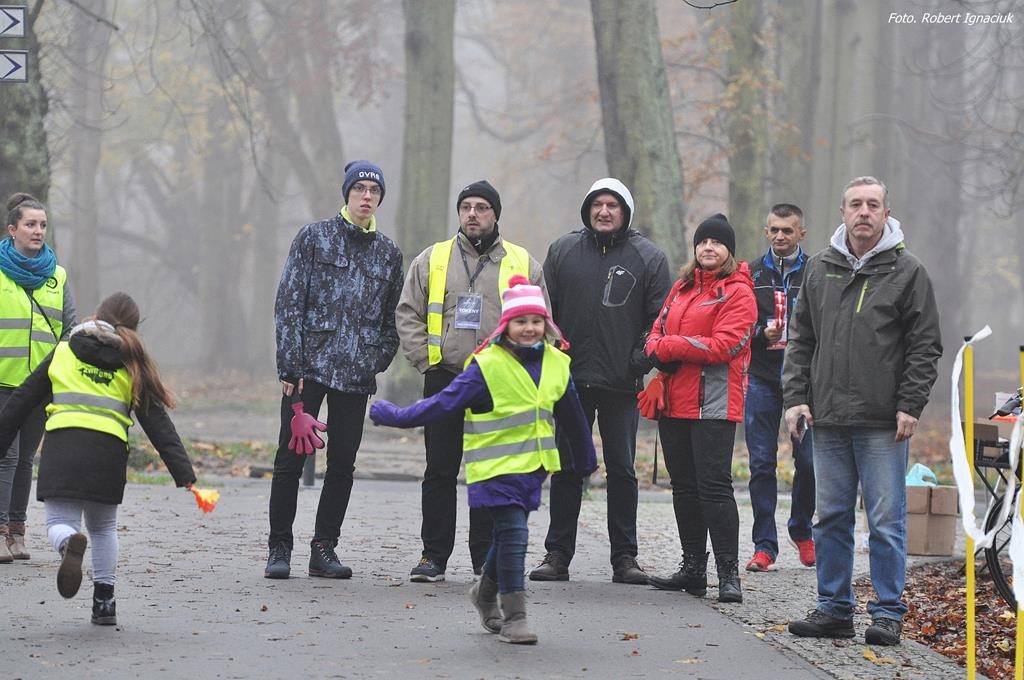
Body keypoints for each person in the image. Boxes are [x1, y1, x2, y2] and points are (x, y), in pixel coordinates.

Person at [371, 275, 596, 644]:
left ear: (546, 324)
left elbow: (573, 417)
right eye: (521, 321)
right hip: (493, 470)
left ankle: (484, 593)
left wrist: (586, 460)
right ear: (506, 325)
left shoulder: (557, 363)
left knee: (507, 536)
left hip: (532, 470)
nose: (529, 328)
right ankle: (515, 617)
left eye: (536, 321)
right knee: (516, 535)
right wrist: (397, 416)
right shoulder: (486, 365)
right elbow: (443, 404)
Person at [784, 176, 942, 646]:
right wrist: (795, 397)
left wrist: (910, 404)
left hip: (882, 422)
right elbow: (801, 339)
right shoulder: (820, 269)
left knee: (885, 523)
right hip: (828, 418)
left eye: (873, 204)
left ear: (886, 213)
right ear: (843, 212)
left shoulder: (908, 271)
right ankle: (834, 609)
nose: (864, 212)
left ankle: (888, 613)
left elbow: (924, 346)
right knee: (830, 518)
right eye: (856, 204)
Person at [0, 292, 196, 625]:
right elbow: (157, 423)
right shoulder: (131, 364)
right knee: (103, 528)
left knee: (58, 522)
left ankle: (68, 545)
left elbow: (21, 401)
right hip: (108, 455)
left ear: (95, 316)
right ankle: (104, 601)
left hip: (63, 448)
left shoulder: (63, 352)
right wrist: (184, 473)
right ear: (133, 326)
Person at [395, 180, 547, 582]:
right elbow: (407, 312)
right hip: (444, 378)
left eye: (481, 207)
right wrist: (426, 361)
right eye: (466, 207)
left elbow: (540, 322)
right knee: (439, 470)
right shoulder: (433, 259)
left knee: (490, 472)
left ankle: (485, 558)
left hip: (498, 383)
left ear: (495, 214)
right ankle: (433, 556)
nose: (473, 214)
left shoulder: (523, 263)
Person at [265, 161, 404, 580]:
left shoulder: (388, 254)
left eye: (373, 191)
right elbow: (289, 302)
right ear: (347, 193)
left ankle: (323, 548)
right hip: (307, 370)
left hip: (355, 377)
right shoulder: (314, 238)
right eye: (359, 188)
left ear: (380, 199)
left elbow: (392, 321)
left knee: (342, 464)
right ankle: (279, 547)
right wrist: (289, 365)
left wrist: (375, 359)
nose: (366, 196)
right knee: (289, 461)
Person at [530, 178, 671, 585]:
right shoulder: (563, 251)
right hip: (570, 381)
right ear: (587, 210)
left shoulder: (649, 257)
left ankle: (625, 558)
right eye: (597, 205)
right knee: (567, 468)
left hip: (621, 384)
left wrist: (638, 360)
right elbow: (544, 311)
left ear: (625, 212)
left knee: (622, 470)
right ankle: (557, 555)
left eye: (612, 205)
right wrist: (552, 356)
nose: (604, 211)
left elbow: (660, 319)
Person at [642, 213, 757, 603]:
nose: (709, 247)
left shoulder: (739, 293)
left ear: (729, 251)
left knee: (714, 487)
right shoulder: (681, 288)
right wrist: (657, 346)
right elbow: (656, 331)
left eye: (717, 242)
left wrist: (670, 347)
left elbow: (725, 346)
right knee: (684, 487)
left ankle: (728, 575)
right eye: (703, 242)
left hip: (715, 404)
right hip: (675, 401)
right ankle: (693, 569)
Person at [0, 193, 76, 563]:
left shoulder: (57, 276)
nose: (38, 231)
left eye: (43, 225)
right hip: (2, 383)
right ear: (12, 229)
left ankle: (17, 532)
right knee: (6, 457)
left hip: (40, 387)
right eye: (30, 224)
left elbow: (70, 329)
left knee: (25, 459)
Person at [743, 203, 815, 572]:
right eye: (774, 230)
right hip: (761, 376)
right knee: (761, 462)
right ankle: (764, 545)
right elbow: (737, 324)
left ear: (801, 232)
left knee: (809, 461)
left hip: (804, 381)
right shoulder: (750, 273)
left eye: (788, 230)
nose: (780, 236)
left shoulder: (817, 271)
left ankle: (801, 530)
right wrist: (761, 333)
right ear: (766, 231)